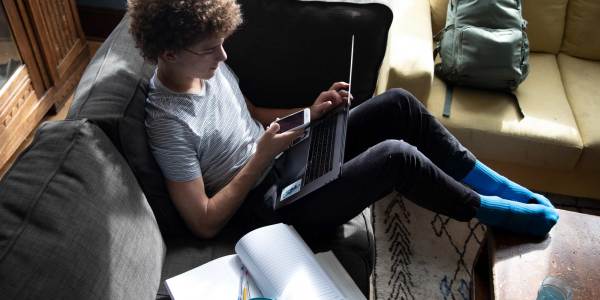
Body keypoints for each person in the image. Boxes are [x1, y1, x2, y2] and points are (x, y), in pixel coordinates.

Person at [128, 0, 558, 239]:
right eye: (210, 49)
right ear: (169, 53)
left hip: (282, 159)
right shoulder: (168, 123)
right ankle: (492, 211)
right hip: (264, 209)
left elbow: (255, 115)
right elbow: (204, 222)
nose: (223, 57)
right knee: (395, 159)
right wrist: (261, 157)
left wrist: (311, 114)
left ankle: (497, 184)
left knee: (399, 104)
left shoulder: (204, 65)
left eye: (222, 44)